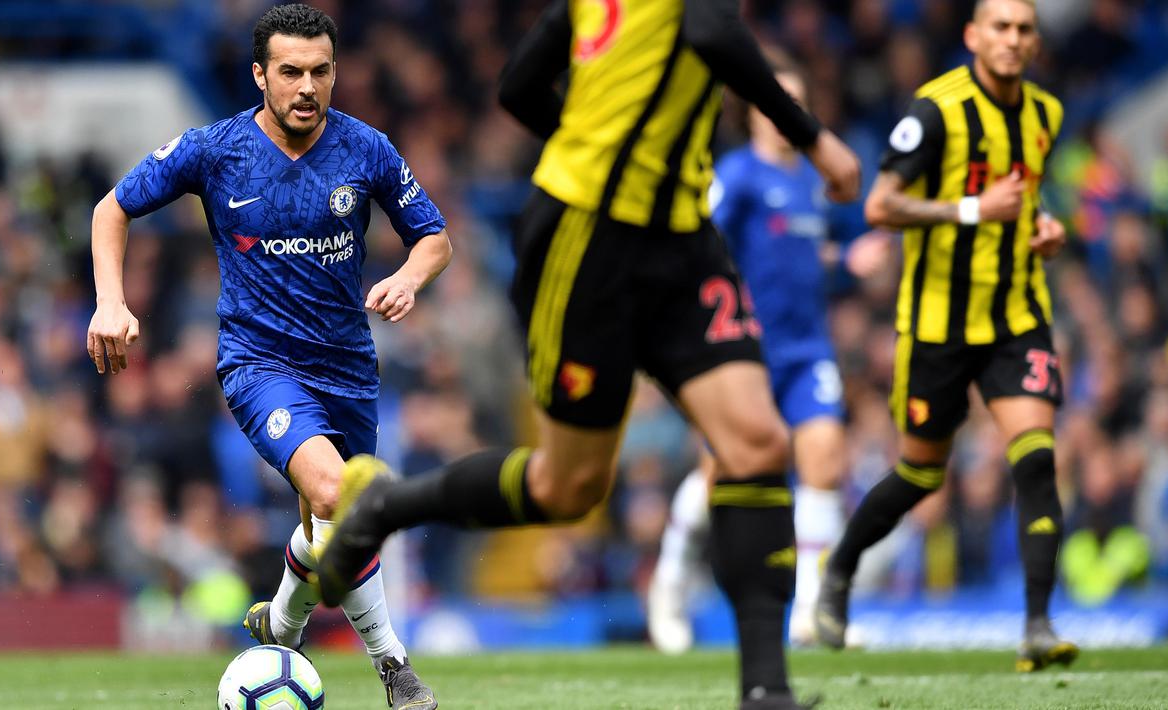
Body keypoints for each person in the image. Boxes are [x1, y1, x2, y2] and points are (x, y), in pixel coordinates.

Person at [313, 2, 860, 708]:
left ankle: (765, 689)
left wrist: (599, 144)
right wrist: (815, 140)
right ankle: (385, 506)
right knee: (566, 487)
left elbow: (520, 89)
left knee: (755, 441)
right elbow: (705, 30)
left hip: (681, 238)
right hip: (588, 241)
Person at [86, 5, 449, 708]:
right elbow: (111, 209)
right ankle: (395, 668)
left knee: (330, 528)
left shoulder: (366, 149)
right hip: (260, 366)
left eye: (320, 71)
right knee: (338, 495)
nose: (307, 87)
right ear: (260, 75)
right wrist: (110, 301)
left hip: (348, 370)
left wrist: (408, 276)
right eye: (290, 72)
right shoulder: (215, 150)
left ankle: (280, 624)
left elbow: (433, 237)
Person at [813, 0, 1078, 674]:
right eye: (999, 27)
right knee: (920, 474)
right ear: (972, 37)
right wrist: (970, 210)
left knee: (1036, 460)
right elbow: (879, 205)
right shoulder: (936, 111)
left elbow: (1025, 197)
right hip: (938, 326)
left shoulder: (1045, 115)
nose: (1012, 39)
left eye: (1023, 29)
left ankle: (1037, 626)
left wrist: (1043, 228)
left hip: (1016, 316)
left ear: (1034, 42)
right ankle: (839, 568)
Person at [648, 59, 888, 653]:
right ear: (753, 110)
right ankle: (669, 583)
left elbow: (796, 251)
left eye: (797, 103)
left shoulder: (808, 181)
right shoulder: (737, 176)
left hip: (807, 351)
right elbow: (699, 238)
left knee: (824, 458)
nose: (786, 114)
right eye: (776, 102)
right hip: (744, 353)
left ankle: (810, 611)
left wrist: (845, 260)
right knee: (719, 472)